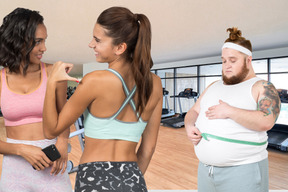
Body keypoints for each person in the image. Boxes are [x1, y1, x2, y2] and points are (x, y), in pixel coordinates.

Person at [43, 6, 163, 192]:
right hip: (133, 177)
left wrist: (52, 82)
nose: (91, 44)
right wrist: (129, 181)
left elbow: (51, 130)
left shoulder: (94, 81)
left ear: (120, 47)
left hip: (94, 177)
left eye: (97, 40)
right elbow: (148, 149)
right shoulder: (155, 84)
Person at [184, 27, 281, 192]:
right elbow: (193, 111)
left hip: (244, 171)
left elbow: (267, 120)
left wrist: (229, 111)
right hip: (206, 170)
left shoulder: (262, 86)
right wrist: (189, 126)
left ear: (248, 60)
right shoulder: (213, 86)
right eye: (223, 61)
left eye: (233, 60)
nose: (226, 66)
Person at [0, 8, 72, 191]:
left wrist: (63, 143)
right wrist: (21, 150)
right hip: (15, 169)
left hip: (52, 165)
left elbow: (64, 114)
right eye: (38, 41)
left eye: (44, 40)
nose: (44, 48)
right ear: (17, 41)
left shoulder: (54, 72)